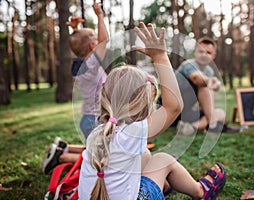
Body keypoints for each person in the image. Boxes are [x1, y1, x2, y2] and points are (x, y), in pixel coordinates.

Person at [78, 22, 226, 200]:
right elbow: (173, 107)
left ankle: (162, 184)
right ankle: (202, 192)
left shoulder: (97, 133)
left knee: (145, 154)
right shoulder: (134, 131)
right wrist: (160, 56)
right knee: (164, 160)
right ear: (143, 103)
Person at [42, 1, 108, 174]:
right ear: (92, 46)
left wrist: (76, 30)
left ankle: (63, 148)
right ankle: (60, 158)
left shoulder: (82, 64)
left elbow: (80, 43)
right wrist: (99, 15)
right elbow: (104, 40)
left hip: (89, 118)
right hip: (96, 120)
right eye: (94, 37)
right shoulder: (92, 64)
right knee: (101, 157)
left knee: (97, 148)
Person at [159, 36, 240, 135]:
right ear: (195, 52)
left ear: (213, 55)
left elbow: (204, 103)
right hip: (167, 109)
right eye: (201, 51)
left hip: (185, 112)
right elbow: (196, 78)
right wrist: (209, 81)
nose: (204, 55)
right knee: (204, 86)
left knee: (220, 113)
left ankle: (191, 127)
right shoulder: (188, 64)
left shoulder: (209, 71)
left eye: (208, 52)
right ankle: (213, 125)